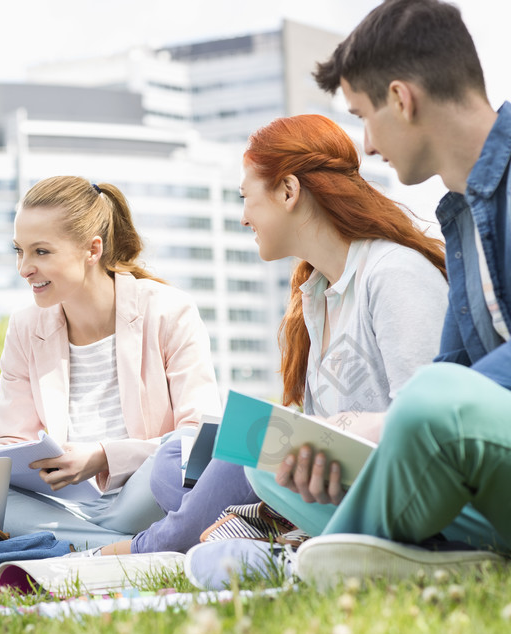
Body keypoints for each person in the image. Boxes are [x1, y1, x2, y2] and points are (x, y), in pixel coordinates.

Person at [105, 113, 451, 565]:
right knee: (173, 465)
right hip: (335, 491)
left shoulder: (394, 276)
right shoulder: (316, 296)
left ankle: (139, 548)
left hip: (403, 500)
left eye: (247, 198)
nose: (245, 217)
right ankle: (232, 528)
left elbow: (432, 432)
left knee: (251, 448)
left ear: (288, 191)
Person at [256, 0, 511, 584]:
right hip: (487, 460)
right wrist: (358, 435)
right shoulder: (463, 216)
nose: (367, 146)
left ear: (402, 98)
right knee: (276, 465)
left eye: (364, 116)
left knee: (431, 398)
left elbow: (441, 392)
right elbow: (450, 368)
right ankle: (437, 554)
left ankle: (342, 557)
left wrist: (391, 424)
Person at [0, 176, 222, 549]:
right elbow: (18, 443)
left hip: (145, 493)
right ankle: (125, 548)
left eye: (41, 252)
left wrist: (103, 457)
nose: (24, 268)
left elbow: (198, 441)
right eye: (19, 251)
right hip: (69, 506)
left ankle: (77, 545)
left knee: (174, 456)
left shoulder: (169, 310)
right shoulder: (26, 328)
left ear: (92, 249)